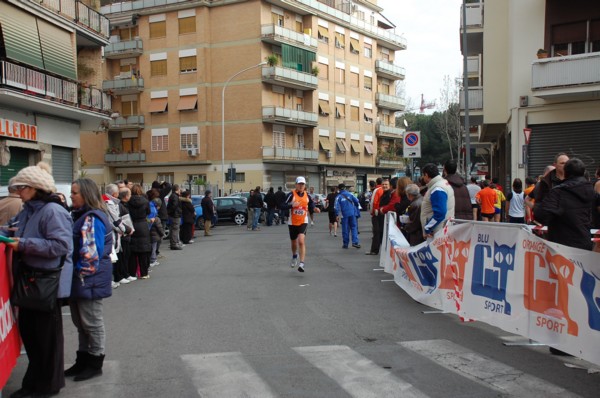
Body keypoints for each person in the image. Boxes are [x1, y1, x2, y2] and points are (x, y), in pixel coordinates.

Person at [3, 163, 73, 397]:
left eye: (21, 187)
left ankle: (46, 386)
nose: (17, 191)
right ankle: (34, 382)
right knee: (32, 335)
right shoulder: (29, 209)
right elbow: (15, 228)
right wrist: (8, 234)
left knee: (46, 338)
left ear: (35, 188)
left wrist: (22, 244)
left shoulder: (52, 211)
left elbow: (60, 245)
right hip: (30, 278)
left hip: (45, 281)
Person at [66, 178, 112, 382]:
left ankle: (95, 362)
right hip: (83, 279)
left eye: (74, 192)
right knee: (81, 323)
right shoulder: (82, 216)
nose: (70, 195)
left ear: (86, 194)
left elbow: (91, 255)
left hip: (87, 279)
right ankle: (83, 360)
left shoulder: (92, 218)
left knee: (91, 323)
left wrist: (79, 275)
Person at [534, 158, 595, 251]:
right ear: (583, 172)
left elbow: (540, 215)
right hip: (585, 244)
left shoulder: (559, 192)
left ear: (565, 173)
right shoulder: (591, 190)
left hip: (563, 246)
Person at [280, 176, 320, 272]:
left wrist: (315, 208)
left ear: (305, 185)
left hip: (303, 221)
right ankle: (294, 256)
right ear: (296, 185)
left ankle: (302, 263)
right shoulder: (291, 194)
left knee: (301, 241)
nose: (301, 186)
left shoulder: (307, 195)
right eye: (300, 184)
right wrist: (291, 205)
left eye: (303, 184)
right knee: (293, 242)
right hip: (292, 222)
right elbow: (282, 205)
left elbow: (311, 204)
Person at [420, 163, 455, 238]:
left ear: (426, 175)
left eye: (423, 175)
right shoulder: (442, 184)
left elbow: (440, 213)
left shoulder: (437, 188)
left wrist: (428, 227)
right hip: (442, 228)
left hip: (437, 231)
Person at [127, 184, 151, 279]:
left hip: (131, 224)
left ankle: (132, 273)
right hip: (142, 225)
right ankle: (144, 273)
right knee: (143, 250)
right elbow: (148, 212)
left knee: (133, 251)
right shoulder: (145, 201)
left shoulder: (128, 202)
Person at [334, 183, 361, 250]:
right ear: (345, 188)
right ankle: (355, 242)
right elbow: (357, 201)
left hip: (344, 214)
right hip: (352, 213)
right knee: (354, 227)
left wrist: (337, 214)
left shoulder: (338, 196)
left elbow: (336, 206)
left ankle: (345, 244)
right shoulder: (350, 194)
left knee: (345, 229)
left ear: (338, 189)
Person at [149, 198, 165, 267]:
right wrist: (162, 234)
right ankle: (153, 260)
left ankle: (152, 259)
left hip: (150, 234)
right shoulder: (155, 216)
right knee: (154, 248)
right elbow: (159, 227)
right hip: (155, 235)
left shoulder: (150, 208)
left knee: (151, 248)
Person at [167, 184, 183, 250]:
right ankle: (174, 244)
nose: (180, 190)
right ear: (177, 189)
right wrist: (173, 212)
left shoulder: (173, 196)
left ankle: (174, 243)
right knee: (175, 230)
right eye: (179, 189)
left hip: (174, 214)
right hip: (175, 215)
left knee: (174, 229)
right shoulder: (175, 196)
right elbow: (174, 206)